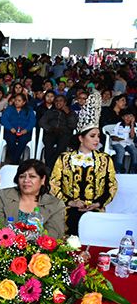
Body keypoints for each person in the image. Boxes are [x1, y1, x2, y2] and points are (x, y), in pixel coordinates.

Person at [50, 92, 117, 236]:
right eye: (92, 136)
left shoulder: (105, 160)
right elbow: (54, 185)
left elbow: (112, 186)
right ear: (81, 138)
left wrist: (98, 203)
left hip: (96, 211)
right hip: (67, 210)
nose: (97, 140)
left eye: (98, 136)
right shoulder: (64, 158)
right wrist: (71, 202)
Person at [0, 159, 65, 239]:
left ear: (43, 179)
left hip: (40, 250)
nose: (26, 180)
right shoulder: (4, 196)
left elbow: (54, 234)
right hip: (5, 247)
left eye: (32, 176)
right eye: (22, 176)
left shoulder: (55, 205)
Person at [39, 94, 78, 170]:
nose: (58, 103)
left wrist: (68, 114)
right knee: (48, 146)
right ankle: (49, 167)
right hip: (51, 132)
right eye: (56, 101)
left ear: (65, 103)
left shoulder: (71, 112)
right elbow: (42, 122)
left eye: (60, 101)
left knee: (61, 148)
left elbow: (73, 125)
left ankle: (50, 166)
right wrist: (50, 128)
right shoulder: (50, 112)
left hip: (64, 134)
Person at [2, 93, 36, 164]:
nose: (16, 102)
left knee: (23, 141)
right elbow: (4, 119)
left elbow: (32, 122)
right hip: (11, 131)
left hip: (24, 132)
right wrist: (10, 128)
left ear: (24, 102)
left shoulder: (29, 110)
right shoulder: (10, 109)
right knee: (10, 140)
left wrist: (26, 130)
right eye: (16, 100)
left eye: (19, 101)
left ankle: (14, 160)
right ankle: (16, 161)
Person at [108, 109, 137, 174]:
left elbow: (132, 136)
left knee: (135, 151)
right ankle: (118, 170)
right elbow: (113, 137)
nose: (128, 118)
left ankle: (133, 171)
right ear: (122, 117)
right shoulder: (119, 125)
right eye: (126, 116)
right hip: (117, 143)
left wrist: (132, 124)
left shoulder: (135, 126)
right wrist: (119, 138)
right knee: (121, 151)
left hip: (128, 144)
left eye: (130, 116)